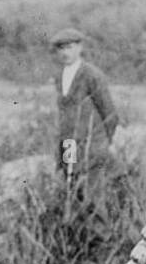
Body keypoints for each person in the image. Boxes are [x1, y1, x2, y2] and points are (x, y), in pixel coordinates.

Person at [50, 27, 121, 181]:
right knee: (71, 189)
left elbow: (109, 113)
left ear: (80, 48)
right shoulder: (59, 77)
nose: (65, 53)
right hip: (69, 144)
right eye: (61, 49)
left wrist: (103, 143)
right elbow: (64, 116)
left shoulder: (92, 75)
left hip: (92, 145)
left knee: (94, 196)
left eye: (70, 48)